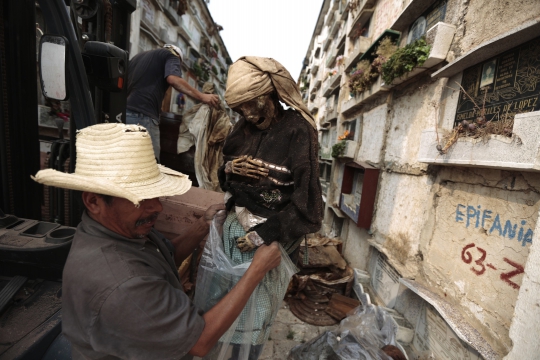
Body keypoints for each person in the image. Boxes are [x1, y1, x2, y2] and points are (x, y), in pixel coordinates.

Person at [32, 123, 281, 359]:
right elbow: (200, 341)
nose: (157, 207)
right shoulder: (124, 285)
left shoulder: (118, 231)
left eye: (155, 194)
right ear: (94, 202)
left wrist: (201, 227)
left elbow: (163, 258)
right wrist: (256, 271)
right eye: (140, 198)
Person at [196, 56, 323, 359]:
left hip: (268, 241)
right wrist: (230, 169)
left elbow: (309, 209)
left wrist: (263, 234)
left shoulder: (298, 131)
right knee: (218, 310)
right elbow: (227, 183)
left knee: (251, 321)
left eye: (253, 104)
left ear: (271, 95)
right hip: (232, 236)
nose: (248, 114)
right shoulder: (242, 130)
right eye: (240, 109)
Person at [126, 44, 220, 162]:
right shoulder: (171, 55)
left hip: (126, 113)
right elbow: (173, 79)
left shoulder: (138, 57)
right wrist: (202, 96)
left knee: (127, 161)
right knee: (150, 165)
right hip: (143, 116)